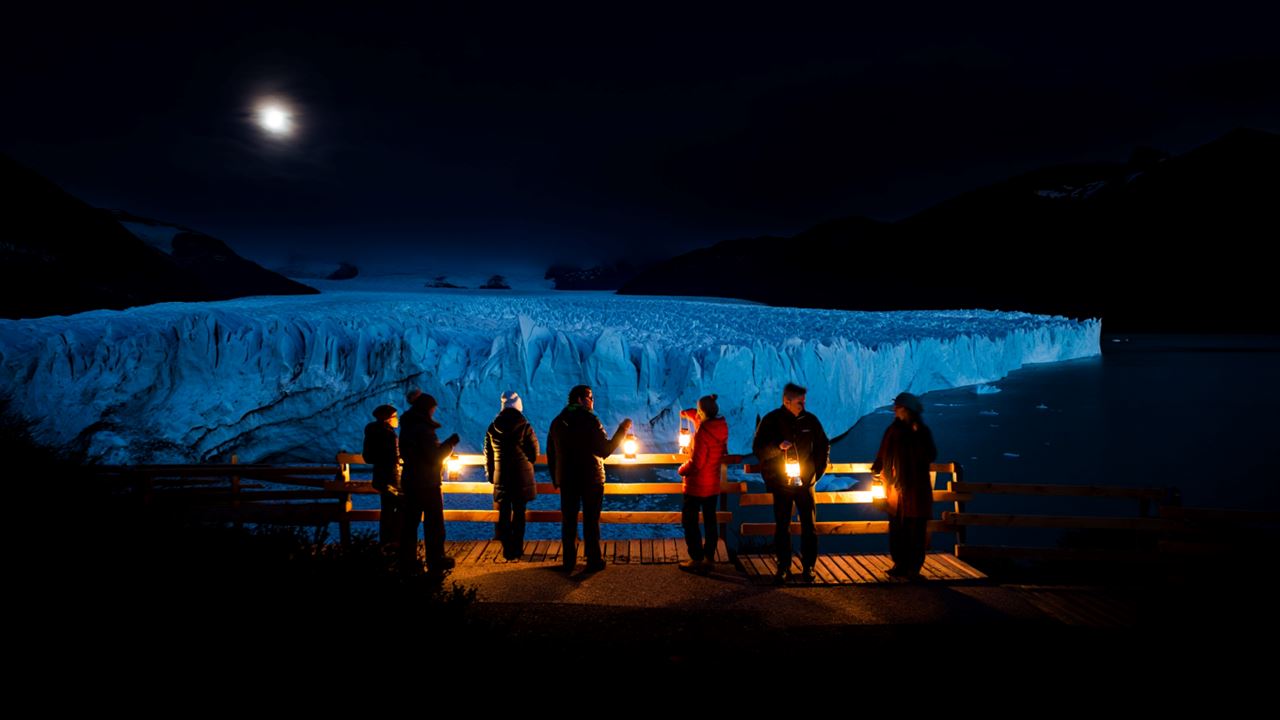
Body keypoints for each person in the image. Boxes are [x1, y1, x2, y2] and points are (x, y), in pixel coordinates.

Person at [546, 385, 631, 573]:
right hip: (591, 479)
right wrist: (622, 430)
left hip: (567, 480)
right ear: (579, 399)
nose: (592, 401)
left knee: (568, 521)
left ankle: (569, 562)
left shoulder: (557, 422)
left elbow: (551, 455)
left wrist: (556, 479)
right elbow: (605, 450)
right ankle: (593, 560)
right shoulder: (590, 420)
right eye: (589, 397)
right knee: (591, 521)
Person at [752, 383, 830, 584]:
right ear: (787, 401)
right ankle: (783, 566)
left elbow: (823, 446)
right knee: (782, 525)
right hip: (781, 484)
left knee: (809, 526)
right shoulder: (771, 421)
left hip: (805, 484)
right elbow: (759, 448)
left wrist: (816, 473)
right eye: (799, 402)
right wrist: (778, 448)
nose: (803, 406)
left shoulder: (810, 421)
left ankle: (809, 567)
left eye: (804, 402)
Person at [871, 392, 937, 579]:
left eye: (898, 407)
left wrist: (917, 437)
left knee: (915, 530)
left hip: (914, 490)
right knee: (898, 529)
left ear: (907, 410)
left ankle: (913, 567)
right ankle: (900, 564)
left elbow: (930, 455)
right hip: (897, 491)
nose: (894, 410)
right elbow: (883, 452)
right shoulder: (893, 430)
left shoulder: (920, 431)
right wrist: (878, 465)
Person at [398, 392, 460, 573]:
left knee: (409, 523)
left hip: (410, 481)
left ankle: (407, 560)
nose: (434, 412)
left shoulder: (407, 427)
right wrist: (450, 444)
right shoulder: (423, 429)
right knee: (434, 524)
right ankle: (436, 559)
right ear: (427, 409)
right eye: (433, 408)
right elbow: (435, 457)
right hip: (427, 483)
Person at [484, 391, 539, 561]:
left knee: (504, 513)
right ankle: (518, 548)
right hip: (521, 478)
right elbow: (534, 452)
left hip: (502, 478)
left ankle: (507, 549)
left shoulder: (493, 427)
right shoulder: (524, 426)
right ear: (518, 406)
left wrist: (491, 475)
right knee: (520, 513)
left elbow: (488, 454)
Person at [677, 394, 729, 575]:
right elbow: (701, 418)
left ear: (702, 411)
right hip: (712, 484)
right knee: (710, 522)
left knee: (689, 521)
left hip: (696, 486)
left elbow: (697, 463)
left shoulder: (701, 434)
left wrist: (682, 470)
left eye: (698, 410)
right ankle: (709, 558)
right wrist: (689, 414)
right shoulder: (720, 427)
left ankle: (696, 558)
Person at [362, 404, 402, 547]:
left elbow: (368, 457)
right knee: (399, 509)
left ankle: (386, 542)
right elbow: (393, 457)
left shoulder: (372, 432)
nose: (397, 419)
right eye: (395, 416)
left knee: (387, 510)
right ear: (388, 419)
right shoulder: (389, 435)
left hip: (380, 478)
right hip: (391, 479)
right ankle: (395, 542)